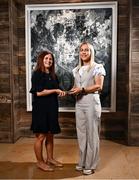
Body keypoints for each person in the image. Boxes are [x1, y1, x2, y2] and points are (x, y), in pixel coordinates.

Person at [69, 42, 106, 175]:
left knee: (92, 134)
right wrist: (70, 92)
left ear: (91, 52)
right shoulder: (76, 70)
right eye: (81, 50)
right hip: (79, 103)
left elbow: (99, 86)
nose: (84, 52)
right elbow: (75, 86)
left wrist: (82, 89)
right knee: (82, 134)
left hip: (92, 102)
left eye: (87, 50)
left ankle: (91, 164)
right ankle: (83, 161)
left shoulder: (97, 67)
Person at [30, 51, 65, 171]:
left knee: (50, 135)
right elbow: (39, 92)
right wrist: (55, 90)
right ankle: (40, 162)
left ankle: (50, 159)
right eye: (46, 58)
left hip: (52, 109)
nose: (48, 61)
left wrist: (60, 92)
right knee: (41, 136)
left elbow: (56, 89)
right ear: (41, 59)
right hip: (40, 110)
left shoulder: (54, 75)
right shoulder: (37, 74)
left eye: (50, 59)